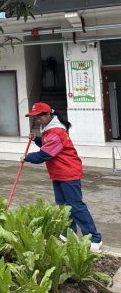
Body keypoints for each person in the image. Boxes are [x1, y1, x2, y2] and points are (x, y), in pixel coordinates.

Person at [22, 102, 102, 250]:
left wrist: (27, 157)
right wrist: (37, 139)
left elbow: (45, 154)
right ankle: (68, 233)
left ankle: (93, 238)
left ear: (48, 115)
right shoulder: (48, 130)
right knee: (63, 206)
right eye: (35, 117)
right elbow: (47, 146)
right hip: (58, 173)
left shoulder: (56, 132)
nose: (37, 120)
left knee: (76, 206)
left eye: (39, 116)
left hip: (68, 172)